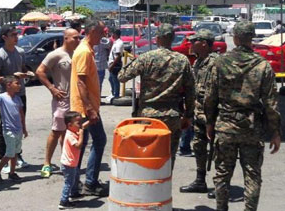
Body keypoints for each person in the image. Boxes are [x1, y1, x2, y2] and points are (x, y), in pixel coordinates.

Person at [204, 21, 281, 211]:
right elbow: (271, 103)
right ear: (251, 38)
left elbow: (210, 97)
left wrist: (209, 123)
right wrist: (275, 132)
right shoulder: (263, 65)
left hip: (226, 126)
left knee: (222, 174)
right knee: (252, 175)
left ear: (236, 38)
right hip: (252, 128)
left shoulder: (219, 62)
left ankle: (221, 208)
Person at [118, 23, 195, 169]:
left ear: (157, 39)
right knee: (168, 157)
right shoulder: (182, 60)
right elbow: (191, 90)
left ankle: (148, 187)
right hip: (172, 114)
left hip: (148, 115)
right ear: (172, 38)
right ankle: (164, 188)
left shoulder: (147, 57)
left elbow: (122, 77)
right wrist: (188, 115)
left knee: (146, 156)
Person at [36, 28, 81, 178]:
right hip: (62, 99)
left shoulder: (77, 53)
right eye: (75, 37)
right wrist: (52, 88)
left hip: (75, 100)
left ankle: (65, 161)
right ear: (66, 38)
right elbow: (40, 71)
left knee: (69, 132)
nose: (78, 40)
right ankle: (47, 163)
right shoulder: (56, 54)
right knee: (56, 131)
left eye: (79, 37)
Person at [71, 19, 108, 196]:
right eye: (101, 32)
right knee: (97, 141)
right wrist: (90, 109)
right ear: (92, 31)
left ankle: (75, 184)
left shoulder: (86, 50)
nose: (103, 35)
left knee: (83, 144)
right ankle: (88, 183)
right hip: (84, 109)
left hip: (84, 107)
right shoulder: (84, 52)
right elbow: (81, 83)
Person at [180, 29, 218, 193]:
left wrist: (211, 119)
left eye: (194, 41)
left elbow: (215, 92)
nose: (190, 44)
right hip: (199, 113)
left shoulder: (215, 62)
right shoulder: (198, 62)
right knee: (199, 147)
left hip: (213, 115)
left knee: (219, 151)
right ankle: (200, 180)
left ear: (204, 43)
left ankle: (220, 185)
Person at [0, 25, 31, 172]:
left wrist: (27, 74)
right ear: (4, 37)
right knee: (5, 128)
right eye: (13, 34)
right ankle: (4, 158)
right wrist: (12, 78)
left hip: (20, 94)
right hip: (6, 97)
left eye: (17, 34)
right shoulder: (0, 55)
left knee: (19, 125)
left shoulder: (20, 52)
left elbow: (23, 68)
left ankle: (17, 155)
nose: (17, 37)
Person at [0, 76, 28, 182]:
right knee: (10, 153)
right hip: (8, 130)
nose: (19, 85)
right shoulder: (1, 97)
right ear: (8, 85)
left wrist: (24, 128)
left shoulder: (17, 98)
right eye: (17, 83)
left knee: (15, 152)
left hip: (18, 129)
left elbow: (21, 114)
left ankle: (12, 172)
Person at [59, 111, 89, 209]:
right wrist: (82, 135)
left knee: (75, 178)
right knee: (69, 182)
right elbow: (78, 146)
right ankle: (63, 201)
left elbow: (83, 126)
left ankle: (74, 193)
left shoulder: (73, 130)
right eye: (78, 123)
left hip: (72, 163)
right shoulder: (70, 135)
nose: (80, 125)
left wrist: (90, 121)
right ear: (69, 125)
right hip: (68, 164)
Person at [107, 29, 123, 101]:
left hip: (115, 65)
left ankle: (116, 95)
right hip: (112, 63)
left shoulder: (119, 44)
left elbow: (118, 56)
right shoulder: (116, 43)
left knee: (115, 80)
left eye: (113, 34)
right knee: (111, 79)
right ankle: (113, 93)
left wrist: (112, 66)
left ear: (116, 34)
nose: (112, 35)